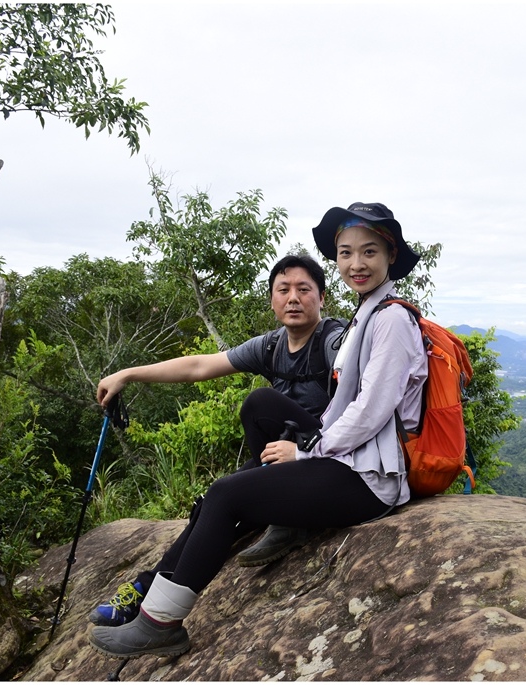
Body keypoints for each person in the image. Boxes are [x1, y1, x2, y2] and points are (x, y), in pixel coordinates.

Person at [88, 202, 427, 659]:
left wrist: (307, 453)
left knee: (227, 495)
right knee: (230, 479)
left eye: (369, 252)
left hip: (370, 479)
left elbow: (371, 410)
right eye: (346, 253)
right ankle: (156, 601)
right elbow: (201, 366)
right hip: (347, 462)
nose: (356, 263)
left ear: (389, 255)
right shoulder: (368, 313)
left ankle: (160, 623)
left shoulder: (389, 319)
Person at [88, 253, 344, 627]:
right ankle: (145, 590)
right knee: (214, 503)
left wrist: (306, 451)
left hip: (323, 463)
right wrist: (128, 373)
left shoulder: (335, 342)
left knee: (259, 402)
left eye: (304, 290)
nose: (293, 298)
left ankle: (286, 521)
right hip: (280, 462)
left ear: (321, 298)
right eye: (283, 289)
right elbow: (199, 366)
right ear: (272, 300)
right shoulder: (271, 346)